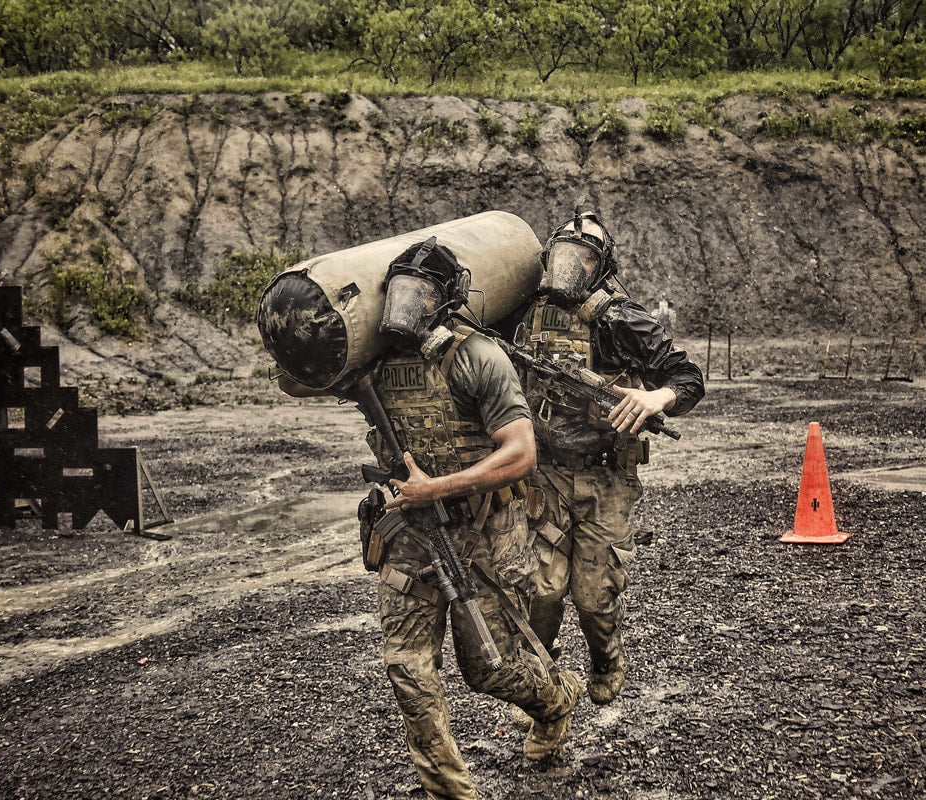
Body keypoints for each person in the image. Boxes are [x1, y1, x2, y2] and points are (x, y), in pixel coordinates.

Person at [274, 237, 584, 800]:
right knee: (408, 669)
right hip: (408, 534)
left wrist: (434, 487)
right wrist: (302, 346)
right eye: (400, 293)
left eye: (421, 296)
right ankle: (451, 792)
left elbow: (521, 454)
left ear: (447, 302)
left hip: (484, 533)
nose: (408, 307)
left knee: (491, 669)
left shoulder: (479, 358)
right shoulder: (373, 357)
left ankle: (558, 699)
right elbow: (294, 380)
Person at [506, 207, 705, 707]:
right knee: (543, 593)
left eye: (586, 253)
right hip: (543, 475)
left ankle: (606, 659)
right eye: (565, 251)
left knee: (595, 597)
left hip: (605, 481)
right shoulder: (519, 311)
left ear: (602, 266)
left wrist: (656, 398)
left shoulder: (619, 318)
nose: (573, 262)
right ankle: (545, 699)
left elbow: (688, 377)